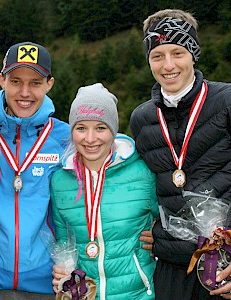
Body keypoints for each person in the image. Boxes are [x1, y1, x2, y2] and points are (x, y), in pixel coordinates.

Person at [129, 8, 231, 300]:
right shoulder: (142, 119)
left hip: (225, 265)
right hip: (173, 267)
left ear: (194, 54)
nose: (168, 65)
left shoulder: (226, 102)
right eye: (157, 56)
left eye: (178, 53)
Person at [0, 42, 70, 299]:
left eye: (35, 83)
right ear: (2, 80)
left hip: (46, 283)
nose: (25, 92)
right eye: (15, 81)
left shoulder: (66, 138)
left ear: (49, 84)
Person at [51, 83, 158, 299]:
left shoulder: (143, 172)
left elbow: (168, 220)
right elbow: (65, 243)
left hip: (138, 293)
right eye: (81, 128)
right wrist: (62, 270)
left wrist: (161, 239)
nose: (90, 139)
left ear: (113, 129)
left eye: (100, 127)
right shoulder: (60, 180)